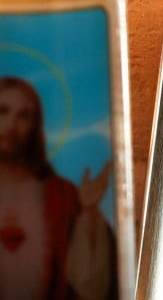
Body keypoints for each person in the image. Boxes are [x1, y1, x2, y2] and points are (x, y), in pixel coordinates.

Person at [0, 76, 115, 300]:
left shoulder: (62, 196)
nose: (11, 125)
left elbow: (90, 287)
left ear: (34, 127)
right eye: (2, 111)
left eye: (23, 116)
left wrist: (89, 214)